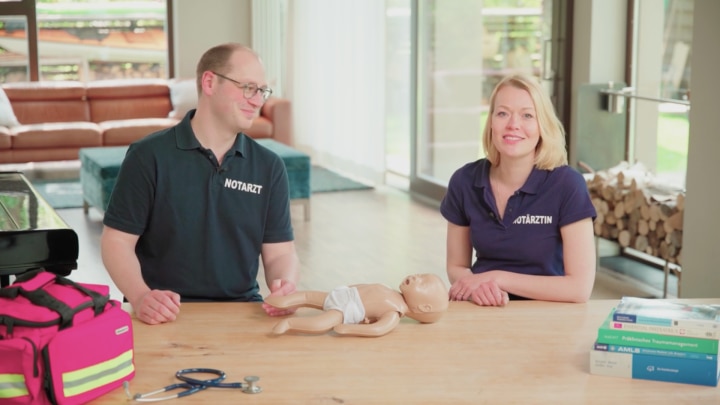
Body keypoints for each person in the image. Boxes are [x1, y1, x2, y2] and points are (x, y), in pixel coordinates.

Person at [100, 43, 300, 324]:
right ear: (209, 82)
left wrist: (284, 284)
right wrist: (141, 295)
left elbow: (280, 252)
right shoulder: (148, 156)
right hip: (162, 313)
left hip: (241, 310)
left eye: (262, 91)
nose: (257, 101)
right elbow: (117, 241)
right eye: (248, 88)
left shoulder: (269, 166)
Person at [440, 73, 597, 307]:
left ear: (542, 125)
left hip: (549, 314)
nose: (513, 124)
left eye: (527, 115)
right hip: (482, 308)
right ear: (491, 122)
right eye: (503, 113)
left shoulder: (568, 185)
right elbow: (456, 266)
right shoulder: (464, 181)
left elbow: (579, 288)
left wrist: (497, 279)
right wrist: (477, 287)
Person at [265, 273, 449, 337]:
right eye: (421, 274)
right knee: (307, 295)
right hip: (343, 295)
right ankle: (281, 301)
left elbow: (377, 329)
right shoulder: (391, 291)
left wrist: (348, 328)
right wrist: (348, 288)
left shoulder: (394, 313)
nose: (416, 277)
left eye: (423, 283)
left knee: (320, 323)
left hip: (344, 310)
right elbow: (367, 287)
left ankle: (289, 323)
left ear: (424, 308)